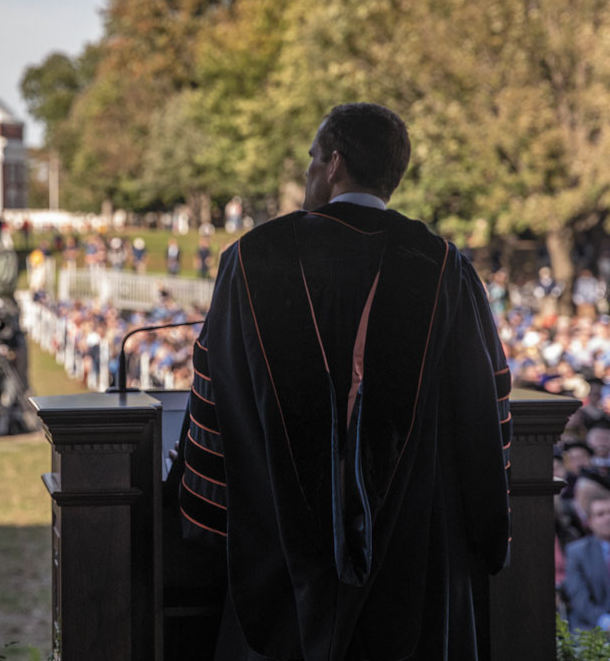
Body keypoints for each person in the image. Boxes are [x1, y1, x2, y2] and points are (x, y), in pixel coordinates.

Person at [173, 103, 511, 660]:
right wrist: (488, 531)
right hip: (414, 558)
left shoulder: (252, 260)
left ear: (334, 164)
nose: (310, 169)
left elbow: (215, 400)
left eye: (312, 157)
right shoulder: (443, 268)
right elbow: (483, 407)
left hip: (278, 555)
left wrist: (206, 526)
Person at [564, 493, 610, 631]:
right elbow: (579, 597)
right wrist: (604, 622)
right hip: (590, 630)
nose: (607, 518)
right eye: (600, 514)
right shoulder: (576, 552)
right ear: (590, 521)